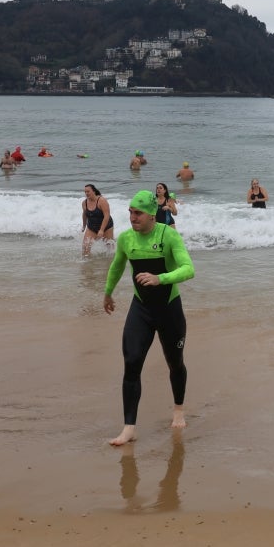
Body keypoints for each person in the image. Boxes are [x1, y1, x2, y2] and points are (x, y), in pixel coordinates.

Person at [103, 190, 196, 445]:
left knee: (175, 362)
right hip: (141, 308)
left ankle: (178, 409)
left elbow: (189, 269)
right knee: (131, 363)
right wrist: (107, 293)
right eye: (131, 212)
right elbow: (117, 266)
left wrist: (160, 279)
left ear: (152, 215)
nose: (133, 217)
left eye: (138, 213)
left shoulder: (168, 236)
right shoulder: (126, 239)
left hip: (169, 308)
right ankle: (129, 428)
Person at [81, 184, 115, 256]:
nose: (86, 193)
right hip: (92, 227)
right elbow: (84, 215)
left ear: (93, 191)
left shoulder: (101, 201)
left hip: (106, 227)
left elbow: (107, 215)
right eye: (85, 192)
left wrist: (102, 230)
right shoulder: (84, 203)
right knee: (85, 247)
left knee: (110, 249)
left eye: (88, 191)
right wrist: (84, 226)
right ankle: (89, 264)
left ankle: (110, 263)